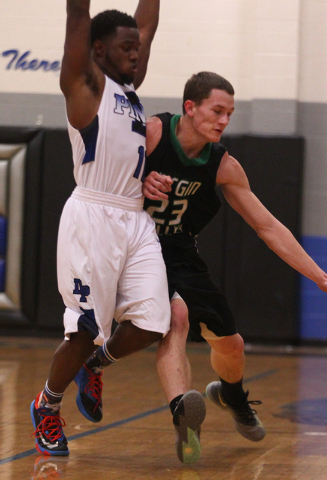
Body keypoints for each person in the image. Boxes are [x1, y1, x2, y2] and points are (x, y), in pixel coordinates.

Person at [75, 72, 327, 463]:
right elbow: (99, 177)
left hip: (180, 251)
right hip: (132, 247)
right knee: (175, 318)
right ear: (190, 108)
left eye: (229, 113)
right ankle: (184, 414)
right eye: (217, 110)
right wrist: (139, 180)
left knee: (231, 344)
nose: (224, 120)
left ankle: (230, 393)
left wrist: (323, 278)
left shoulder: (223, 164)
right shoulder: (153, 134)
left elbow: (267, 227)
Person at [30, 0, 184, 458]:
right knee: (82, 329)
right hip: (92, 215)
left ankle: (94, 365)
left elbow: (149, 23)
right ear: (98, 49)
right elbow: (77, 13)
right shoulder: (83, 84)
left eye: (138, 47)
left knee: (154, 324)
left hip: (135, 218)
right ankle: (48, 406)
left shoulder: (129, 89)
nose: (137, 53)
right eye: (127, 47)